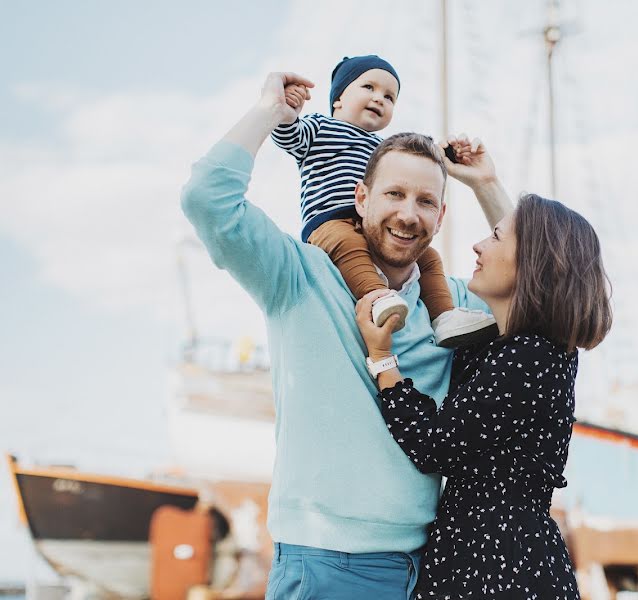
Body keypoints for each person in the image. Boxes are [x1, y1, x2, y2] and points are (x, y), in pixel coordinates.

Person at [180, 71, 513, 600]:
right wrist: (269, 111)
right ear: (361, 198)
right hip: (325, 565)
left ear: (442, 215)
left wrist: (487, 184)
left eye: (426, 201)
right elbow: (207, 199)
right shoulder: (297, 275)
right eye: (394, 194)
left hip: (430, 567)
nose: (408, 214)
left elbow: (542, 285)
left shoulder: (454, 306)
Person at [355, 152, 613, 599]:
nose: (477, 246)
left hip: (498, 566)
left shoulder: (529, 356)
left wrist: (382, 357)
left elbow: (434, 445)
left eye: (493, 238)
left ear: (529, 264)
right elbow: (529, 243)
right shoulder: (521, 346)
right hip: (494, 557)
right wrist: (485, 183)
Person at [271, 54, 496, 347]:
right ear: (338, 99)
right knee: (348, 245)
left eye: (389, 96)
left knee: (428, 257)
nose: (379, 99)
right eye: (369, 88)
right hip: (329, 220)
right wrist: (286, 113)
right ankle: (376, 296)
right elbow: (290, 136)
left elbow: (418, 157)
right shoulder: (320, 128)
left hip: (370, 222)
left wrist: (445, 151)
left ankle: (444, 316)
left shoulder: (383, 147)